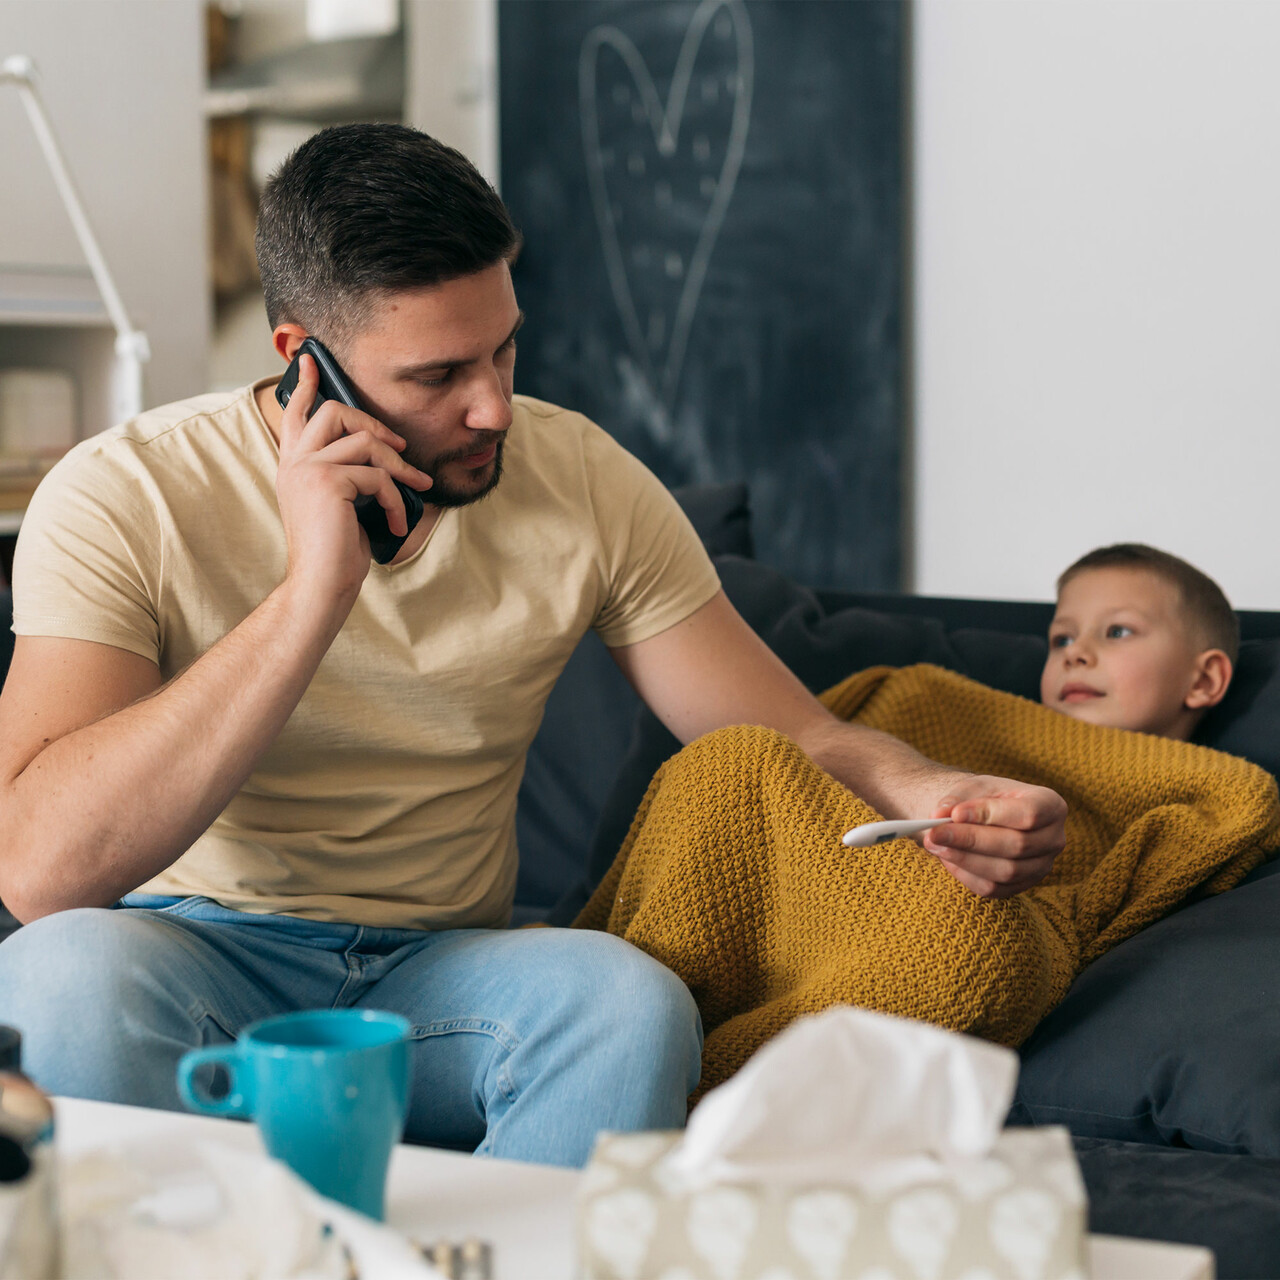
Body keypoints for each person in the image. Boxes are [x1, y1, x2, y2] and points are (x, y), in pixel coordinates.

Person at [0, 124, 1066, 1168]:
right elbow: (43, 869)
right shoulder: (126, 491)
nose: (494, 406)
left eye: (505, 346)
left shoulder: (586, 480)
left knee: (624, 1000)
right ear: (302, 361)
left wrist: (934, 789)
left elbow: (790, 731)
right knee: (60, 971)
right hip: (193, 955)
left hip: (442, 975)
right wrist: (315, 589)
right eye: (437, 374)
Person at [1041, 543, 1236, 739]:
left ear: (1203, 681)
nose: (1073, 652)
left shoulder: (1225, 771)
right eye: (1062, 640)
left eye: (1117, 632)